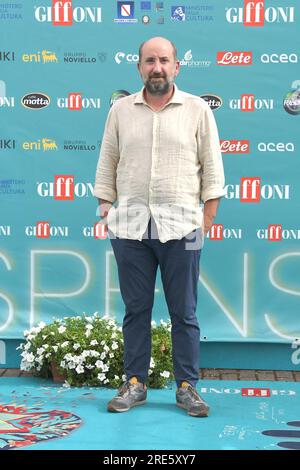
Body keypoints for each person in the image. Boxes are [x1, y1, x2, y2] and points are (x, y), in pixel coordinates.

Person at [93, 37, 225, 417]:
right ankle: (135, 383)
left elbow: (212, 169)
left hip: (183, 227)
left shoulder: (198, 110)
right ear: (139, 67)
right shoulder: (120, 110)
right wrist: (105, 206)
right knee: (136, 310)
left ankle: (187, 386)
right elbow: (108, 160)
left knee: (184, 312)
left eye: (164, 60)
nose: (157, 68)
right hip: (130, 228)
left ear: (177, 66)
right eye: (150, 61)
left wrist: (206, 220)